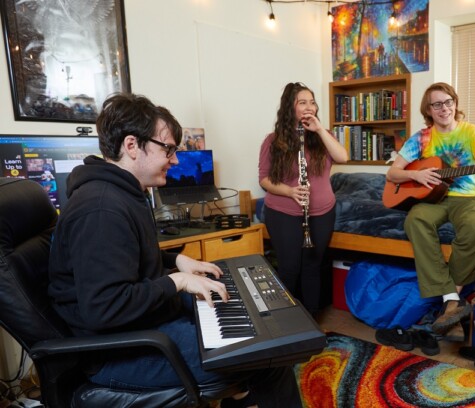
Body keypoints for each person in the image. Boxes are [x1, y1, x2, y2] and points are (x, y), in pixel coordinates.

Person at [48, 93, 302, 407]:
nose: (176, 160)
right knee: (268, 359)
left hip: (142, 328)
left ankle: (242, 391)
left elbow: (128, 258)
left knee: (243, 326)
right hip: (119, 353)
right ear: (132, 146)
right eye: (168, 149)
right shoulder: (102, 210)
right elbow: (105, 307)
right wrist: (177, 281)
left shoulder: (121, 194)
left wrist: (177, 260)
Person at [386, 82, 475, 341]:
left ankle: (448, 301)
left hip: (467, 198)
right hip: (433, 200)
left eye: (448, 102)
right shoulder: (422, 138)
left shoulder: (472, 133)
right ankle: (452, 299)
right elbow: (392, 173)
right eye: (437, 104)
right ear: (429, 109)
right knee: (415, 220)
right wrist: (419, 174)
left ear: (455, 104)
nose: (444, 108)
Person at [258, 82, 348, 316]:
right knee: (289, 267)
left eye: (312, 102)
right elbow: (264, 179)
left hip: (322, 212)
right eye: (302, 102)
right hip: (283, 212)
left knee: (313, 266)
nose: (310, 107)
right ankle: (288, 321)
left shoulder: (323, 136)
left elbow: (343, 157)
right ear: (290, 107)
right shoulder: (272, 141)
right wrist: (290, 191)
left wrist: (319, 130)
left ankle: (311, 319)